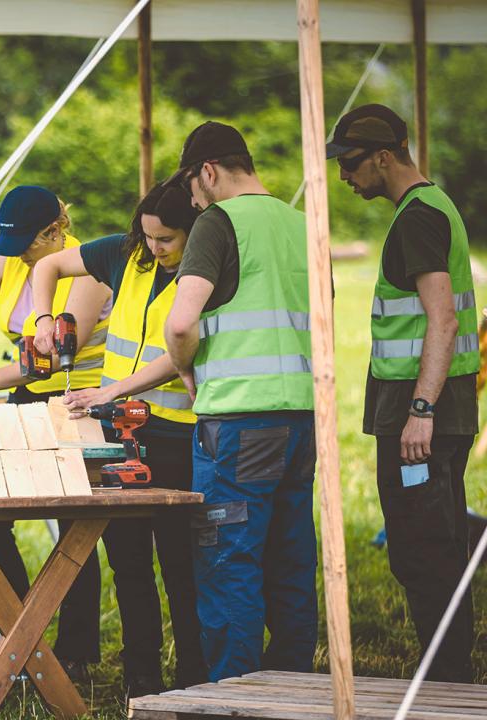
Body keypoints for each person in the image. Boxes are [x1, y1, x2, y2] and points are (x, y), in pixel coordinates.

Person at [31, 183, 208, 696]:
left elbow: (183, 350)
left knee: (179, 565)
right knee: (128, 562)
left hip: (176, 434)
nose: (154, 248)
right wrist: (44, 319)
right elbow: (48, 267)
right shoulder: (125, 255)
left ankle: (193, 680)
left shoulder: (207, 270)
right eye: (147, 235)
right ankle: (142, 681)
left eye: (166, 239)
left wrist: (109, 390)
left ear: (194, 231)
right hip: (117, 432)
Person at [0, 185, 112, 680]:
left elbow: (47, 359)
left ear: (54, 231)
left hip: (79, 403)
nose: (15, 253)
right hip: (26, 397)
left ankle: (75, 652)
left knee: (70, 529)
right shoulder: (15, 258)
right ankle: (9, 633)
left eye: (25, 243)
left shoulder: (87, 268)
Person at [163, 121, 318, 682]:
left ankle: (236, 693)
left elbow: (182, 322)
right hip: (302, 416)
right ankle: (295, 686)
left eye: (193, 187)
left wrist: (186, 369)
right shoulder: (303, 223)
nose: (194, 200)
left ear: (208, 171)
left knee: (230, 560)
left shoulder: (218, 222)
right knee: (292, 557)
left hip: (236, 422)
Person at [328, 104, 477, 682]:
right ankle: (445, 669)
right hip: (436, 407)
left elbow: (442, 321)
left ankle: (444, 681)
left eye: (351, 163)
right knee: (434, 540)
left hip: (421, 415)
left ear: (384, 157)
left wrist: (421, 411)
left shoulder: (417, 217)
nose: (344, 175)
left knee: (424, 549)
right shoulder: (431, 207)